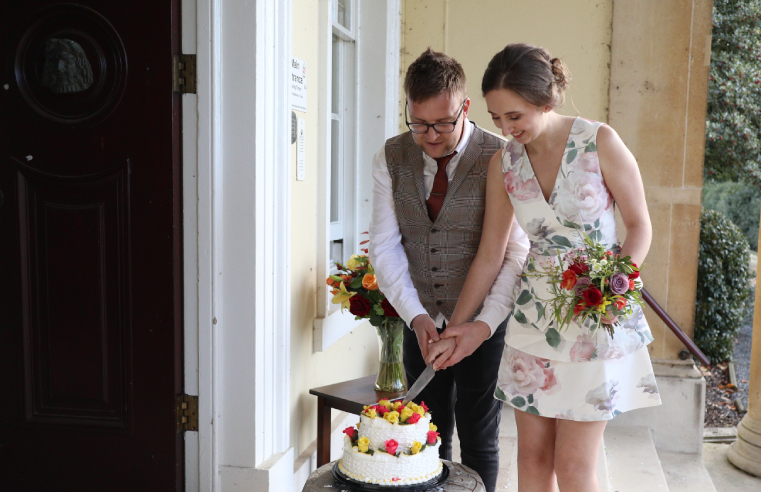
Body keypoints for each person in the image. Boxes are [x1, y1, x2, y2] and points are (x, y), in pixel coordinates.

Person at [427, 43, 662, 492]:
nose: (505, 128)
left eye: (514, 116)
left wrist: (613, 289)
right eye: (496, 118)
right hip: (534, 322)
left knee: (574, 468)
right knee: (531, 462)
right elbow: (490, 256)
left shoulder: (600, 142)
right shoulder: (504, 164)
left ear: (546, 99)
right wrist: (454, 330)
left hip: (596, 317)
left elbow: (639, 226)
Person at [368, 48, 530, 492]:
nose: (430, 136)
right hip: (419, 318)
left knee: (480, 438)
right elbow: (384, 246)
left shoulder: (503, 156)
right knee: (425, 437)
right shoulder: (391, 157)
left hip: (483, 321)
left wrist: (482, 324)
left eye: (442, 123)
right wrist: (416, 316)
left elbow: (515, 254)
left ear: (465, 107)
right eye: (418, 124)